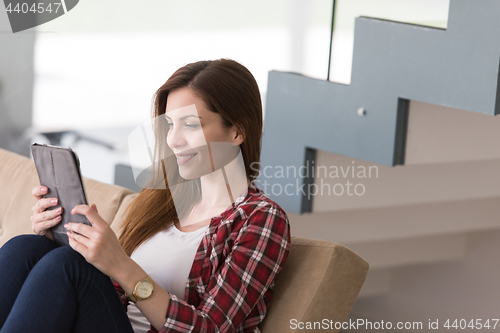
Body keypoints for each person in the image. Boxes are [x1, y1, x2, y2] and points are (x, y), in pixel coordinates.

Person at [0, 59, 291, 333]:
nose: (173, 140)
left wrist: (121, 266)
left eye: (190, 124)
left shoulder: (261, 218)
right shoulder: (161, 201)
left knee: (67, 266)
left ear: (237, 132)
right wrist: (68, 236)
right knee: (27, 248)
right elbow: (105, 293)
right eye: (169, 125)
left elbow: (210, 327)